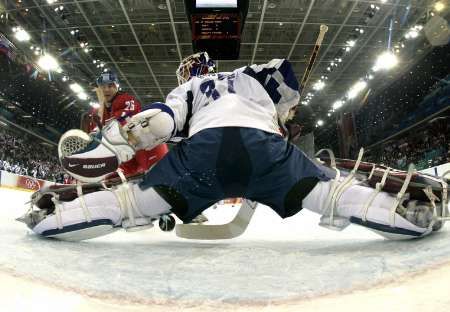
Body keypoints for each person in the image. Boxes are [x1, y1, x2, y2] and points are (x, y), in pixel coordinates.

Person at [20, 52, 448, 241]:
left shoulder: (188, 87)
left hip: (200, 159)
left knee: (132, 202)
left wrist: (117, 143)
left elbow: (160, 123)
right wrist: (284, 112)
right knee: (328, 192)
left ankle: (52, 214)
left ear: (192, 70)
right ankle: (412, 212)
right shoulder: (251, 75)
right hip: (262, 149)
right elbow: (288, 85)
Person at [81, 71, 169, 177]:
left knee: (162, 178)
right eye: (103, 87)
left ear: (116, 86)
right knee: (110, 178)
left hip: (146, 148)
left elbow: (121, 123)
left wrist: (98, 131)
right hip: (125, 154)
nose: (106, 90)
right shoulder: (95, 113)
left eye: (110, 86)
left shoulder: (126, 99)